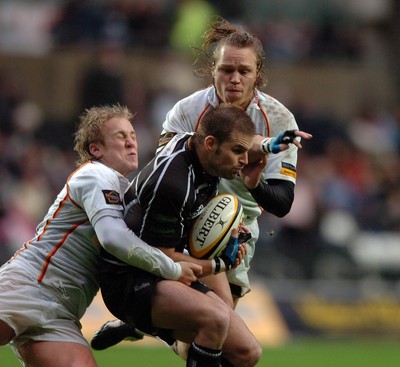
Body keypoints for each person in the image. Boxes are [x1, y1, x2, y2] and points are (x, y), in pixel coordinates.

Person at [91, 17, 312, 352]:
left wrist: (252, 183)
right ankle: (143, 314)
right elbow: (166, 173)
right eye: (226, 70)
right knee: (218, 331)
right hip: (186, 220)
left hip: (234, 228)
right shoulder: (186, 110)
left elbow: (282, 203)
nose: (234, 79)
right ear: (213, 70)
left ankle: (145, 322)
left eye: (243, 71)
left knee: (204, 335)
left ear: (258, 75)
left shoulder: (279, 120)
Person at [0, 104, 200, 367]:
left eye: (133, 135)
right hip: (29, 286)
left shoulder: (127, 191)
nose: (131, 143)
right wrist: (172, 269)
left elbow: (147, 247)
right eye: (120, 136)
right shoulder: (95, 174)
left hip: (63, 313)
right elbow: (113, 238)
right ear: (96, 149)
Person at [98, 104, 263, 367]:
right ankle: (146, 325)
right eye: (238, 151)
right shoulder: (173, 184)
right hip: (130, 278)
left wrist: (228, 235)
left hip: (164, 262)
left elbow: (192, 227)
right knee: (216, 320)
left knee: (247, 352)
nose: (244, 160)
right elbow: (160, 256)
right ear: (210, 143)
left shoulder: (203, 157)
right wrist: (220, 263)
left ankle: (162, 333)